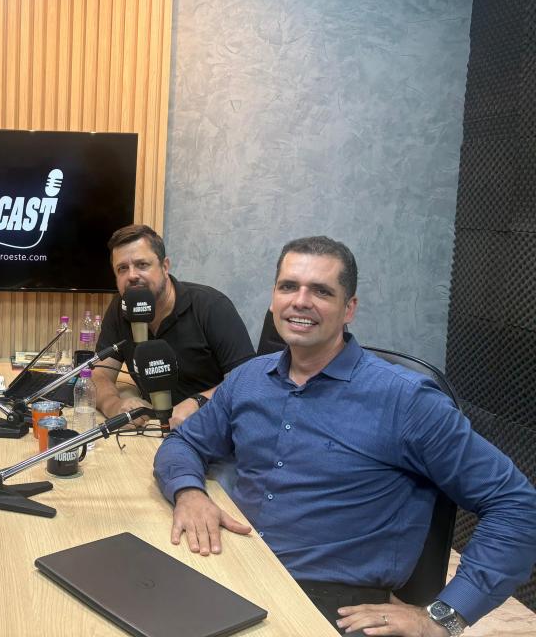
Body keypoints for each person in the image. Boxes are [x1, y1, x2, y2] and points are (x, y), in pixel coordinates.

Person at [154, 236, 536, 636]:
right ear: (273, 299)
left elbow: (516, 505)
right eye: (288, 287)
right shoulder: (248, 379)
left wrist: (442, 618)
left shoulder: (408, 401)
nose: (300, 301)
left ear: (349, 308)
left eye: (321, 291)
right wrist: (189, 492)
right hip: (240, 568)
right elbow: (184, 442)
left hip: (332, 605)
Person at [92, 225, 254, 429]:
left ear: (165, 266)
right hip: (154, 432)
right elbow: (99, 375)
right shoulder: (120, 308)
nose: (132, 275)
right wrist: (114, 406)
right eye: (122, 268)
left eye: (142, 264)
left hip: (213, 429)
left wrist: (199, 402)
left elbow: (248, 381)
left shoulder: (211, 306)